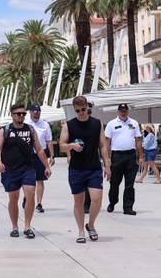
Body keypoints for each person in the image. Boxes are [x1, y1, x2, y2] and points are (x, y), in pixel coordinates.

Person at [0, 104, 51, 238]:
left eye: (23, 114)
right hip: (10, 169)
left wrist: (47, 166)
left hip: (27, 168)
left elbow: (40, 149)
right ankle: (14, 227)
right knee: (13, 198)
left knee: (30, 194)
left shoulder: (30, 130)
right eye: (18, 114)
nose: (21, 116)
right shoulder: (5, 130)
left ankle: (27, 226)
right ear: (12, 115)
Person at [60, 96, 111, 243]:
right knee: (79, 201)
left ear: (87, 108)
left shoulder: (97, 123)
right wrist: (71, 146)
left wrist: (107, 165)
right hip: (76, 169)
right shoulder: (69, 125)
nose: (81, 113)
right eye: (78, 111)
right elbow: (62, 145)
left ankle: (91, 225)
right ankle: (81, 231)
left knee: (97, 199)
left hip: (94, 167)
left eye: (83, 110)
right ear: (74, 110)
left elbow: (102, 145)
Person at [105, 103, 143, 215]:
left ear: (128, 111)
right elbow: (107, 142)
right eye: (121, 111)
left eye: (125, 111)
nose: (123, 113)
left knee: (130, 184)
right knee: (114, 183)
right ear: (118, 112)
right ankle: (112, 202)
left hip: (131, 155)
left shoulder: (134, 123)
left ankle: (128, 207)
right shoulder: (111, 124)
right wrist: (107, 158)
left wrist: (141, 156)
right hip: (117, 156)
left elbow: (138, 141)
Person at [24, 105, 55, 213]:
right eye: (34, 111)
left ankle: (39, 203)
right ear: (30, 112)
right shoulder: (25, 124)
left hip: (41, 155)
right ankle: (27, 198)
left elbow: (49, 141)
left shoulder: (45, 124)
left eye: (38, 111)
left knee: (40, 180)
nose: (36, 113)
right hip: (27, 155)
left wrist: (52, 156)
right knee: (27, 179)